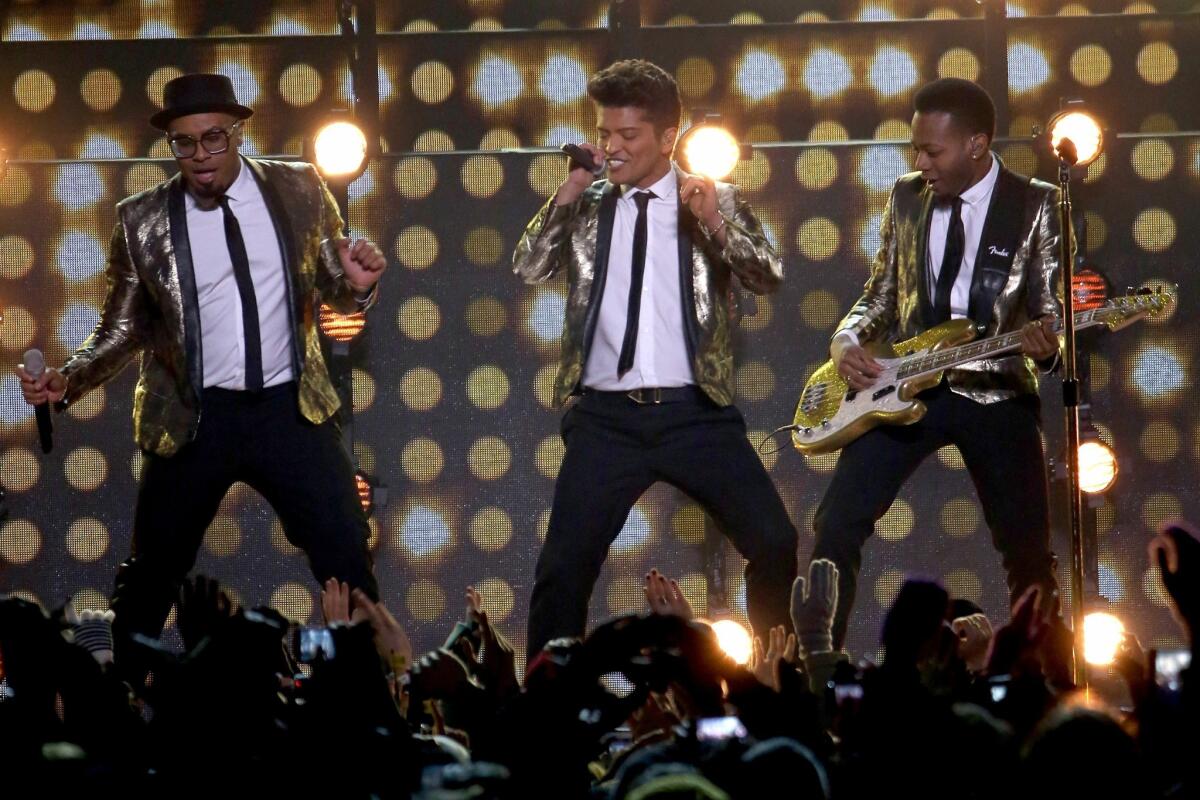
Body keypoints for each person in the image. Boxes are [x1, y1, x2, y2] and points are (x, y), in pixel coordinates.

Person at [15, 73, 387, 668]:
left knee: (347, 554)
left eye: (212, 139)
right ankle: (119, 702)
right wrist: (70, 378)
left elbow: (336, 285)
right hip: (195, 416)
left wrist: (359, 288)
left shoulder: (299, 187)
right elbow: (122, 327)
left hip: (290, 410)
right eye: (183, 143)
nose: (199, 156)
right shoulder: (142, 220)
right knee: (153, 571)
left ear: (237, 133)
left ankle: (376, 699)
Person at [513, 59, 798, 659]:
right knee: (562, 569)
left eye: (628, 137)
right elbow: (530, 266)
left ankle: (777, 682)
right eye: (606, 134)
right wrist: (565, 193)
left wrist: (714, 222)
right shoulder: (586, 204)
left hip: (695, 414)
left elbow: (767, 274)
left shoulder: (711, 198)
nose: (612, 150)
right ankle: (548, 706)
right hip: (606, 420)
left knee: (774, 541)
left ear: (668, 137)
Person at [810, 77, 1063, 651]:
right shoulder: (905, 195)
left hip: (996, 390)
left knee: (1027, 555)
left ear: (977, 145)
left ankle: (1047, 687)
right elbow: (880, 293)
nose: (920, 161)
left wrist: (1048, 348)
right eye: (916, 149)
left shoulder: (1035, 203)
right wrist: (845, 340)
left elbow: (1053, 314)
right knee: (835, 523)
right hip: (906, 390)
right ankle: (816, 671)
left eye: (932, 150)